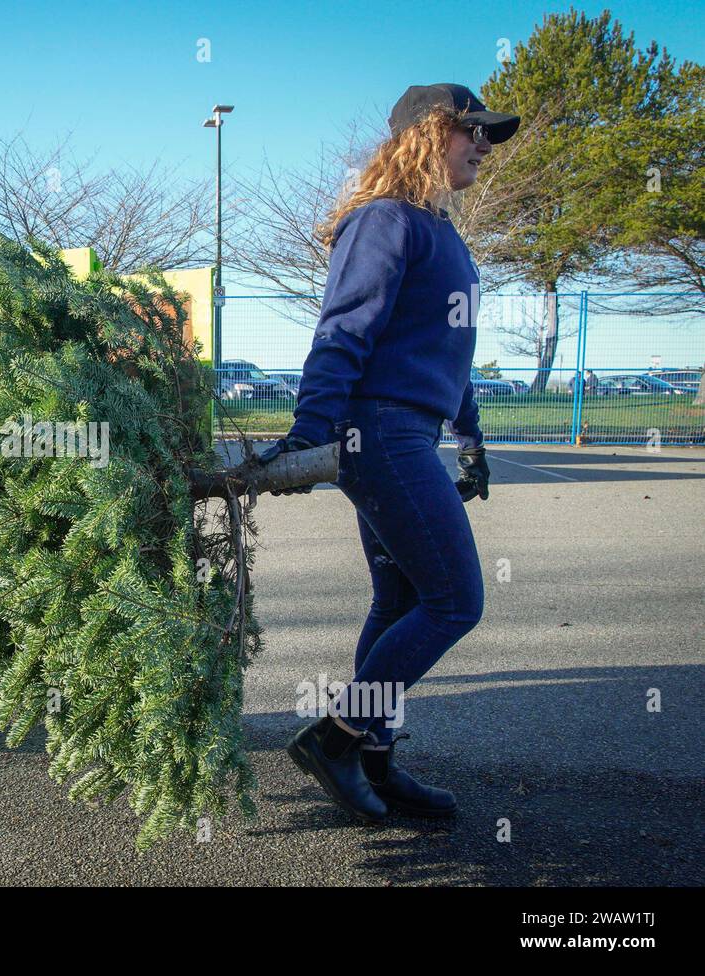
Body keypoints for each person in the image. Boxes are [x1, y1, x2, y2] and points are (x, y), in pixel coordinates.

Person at [258, 84, 519, 822]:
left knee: (402, 599)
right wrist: (312, 430)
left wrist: (469, 437)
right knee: (455, 602)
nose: (486, 147)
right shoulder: (382, 221)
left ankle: (376, 760)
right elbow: (343, 330)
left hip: (413, 429)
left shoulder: (442, 230)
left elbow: (451, 355)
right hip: (378, 433)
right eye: (476, 131)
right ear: (430, 133)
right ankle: (336, 741)